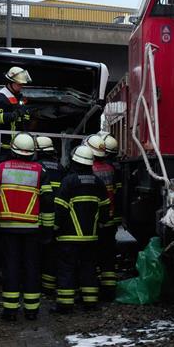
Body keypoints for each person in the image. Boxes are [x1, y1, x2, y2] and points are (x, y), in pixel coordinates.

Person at [0, 133, 53, 322]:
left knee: (11, 268)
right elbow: (48, 201)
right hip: (32, 229)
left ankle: (10, 310)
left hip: (7, 229)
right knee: (31, 268)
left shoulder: (1, 169)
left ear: (13, 149)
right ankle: (31, 310)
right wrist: (47, 230)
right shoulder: (41, 171)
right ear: (32, 152)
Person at [53, 145, 109, 313]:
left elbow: (60, 208)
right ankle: (91, 302)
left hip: (68, 237)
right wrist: (102, 224)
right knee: (89, 269)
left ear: (75, 162)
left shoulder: (69, 182)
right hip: (90, 237)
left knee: (66, 269)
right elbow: (105, 208)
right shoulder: (98, 183)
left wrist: (54, 228)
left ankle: (65, 305)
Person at [87, 134, 121, 300]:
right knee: (108, 255)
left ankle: (92, 290)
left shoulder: (90, 170)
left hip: (94, 221)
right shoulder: (110, 169)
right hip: (109, 218)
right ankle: (109, 290)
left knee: (91, 256)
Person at [34, 135, 65, 295]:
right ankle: (48, 285)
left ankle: (35, 283)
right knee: (51, 252)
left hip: (37, 216)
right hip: (55, 216)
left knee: (35, 251)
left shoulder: (36, 166)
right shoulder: (60, 168)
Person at [0, 67, 31, 156]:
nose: (21, 86)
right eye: (19, 84)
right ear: (10, 82)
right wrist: (14, 115)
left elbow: (24, 116)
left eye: (22, 84)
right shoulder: (0, 97)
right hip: (3, 146)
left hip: (18, 144)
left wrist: (26, 115)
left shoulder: (18, 96)